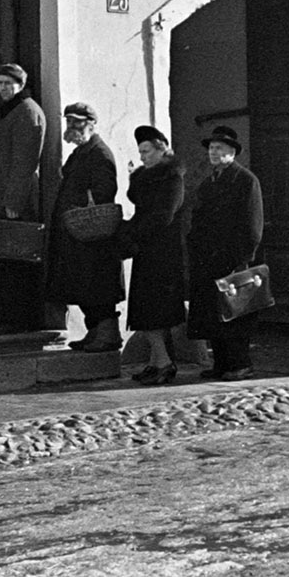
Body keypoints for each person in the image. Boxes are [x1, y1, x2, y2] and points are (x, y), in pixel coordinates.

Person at [185, 126, 264, 381]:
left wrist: (241, 259)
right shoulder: (209, 182)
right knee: (213, 315)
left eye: (219, 148)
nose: (214, 153)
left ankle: (240, 363)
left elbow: (253, 226)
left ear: (232, 152)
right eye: (211, 148)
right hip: (208, 259)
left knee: (236, 313)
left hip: (232, 260)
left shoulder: (245, 180)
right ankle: (221, 363)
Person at [46, 102, 125, 352]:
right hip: (77, 235)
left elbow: (104, 192)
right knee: (83, 287)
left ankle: (107, 335)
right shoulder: (81, 152)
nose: (71, 127)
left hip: (93, 236)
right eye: (68, 122)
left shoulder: (99, 153)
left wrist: (80, 208)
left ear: (91, 124)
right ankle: (95, 332)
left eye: (77, 123)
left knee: (97, 289)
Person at [0, 63, 46, 331]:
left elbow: (25, 161)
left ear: (21, 84)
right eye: (0, 83)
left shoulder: (28, 112)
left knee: (12, 261)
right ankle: (5, 317)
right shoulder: (11, 112)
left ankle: (14, 320)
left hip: (10, 202)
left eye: (9, 83)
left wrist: (13, 202)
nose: (4, 88)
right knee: (0, 259)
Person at [119, 126, 187, 384]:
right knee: (144, 312)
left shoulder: (172, 178)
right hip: (146, 252)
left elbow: (163, 215)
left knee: (155, 312)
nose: (143, 157)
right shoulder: (147, 177)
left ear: (161, 149)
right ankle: (155, 362)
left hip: (163, 254)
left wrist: (135, 232)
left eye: (146, 151)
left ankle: (164, 363)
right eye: (140, 152)